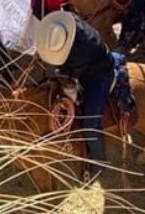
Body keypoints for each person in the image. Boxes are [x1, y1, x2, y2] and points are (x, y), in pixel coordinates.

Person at [34, 10, 132, 175]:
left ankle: (99, 161)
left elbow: (69, 78)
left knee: (90, 124)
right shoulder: (69, 23)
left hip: (100, 76)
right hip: (91, 65)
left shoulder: (82, 50)